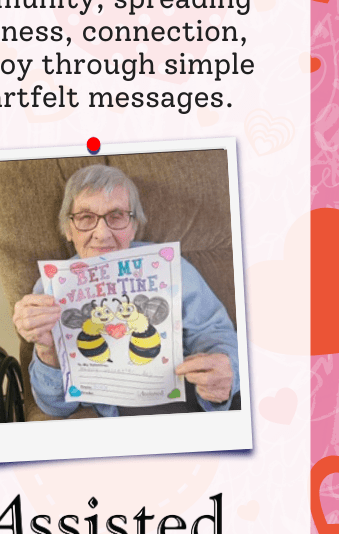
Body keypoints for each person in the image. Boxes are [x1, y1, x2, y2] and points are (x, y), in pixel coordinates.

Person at [12, 165, 239, 418]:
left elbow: (214, 331)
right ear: (68, 229)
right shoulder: (51, 287)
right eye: (86, 217)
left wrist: (224, 368)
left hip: (186, 395)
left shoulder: (168, 265)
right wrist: (46, 350)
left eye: (117, 215)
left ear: (133, 225)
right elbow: (53, 406)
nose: (102, 234)